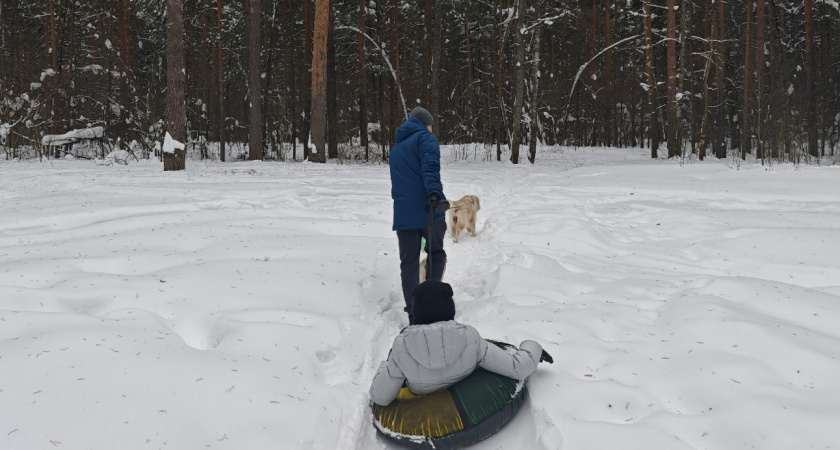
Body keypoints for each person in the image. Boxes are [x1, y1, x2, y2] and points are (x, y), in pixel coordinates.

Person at [370, 281, 553, 407]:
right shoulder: (469, 337)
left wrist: (387, 364)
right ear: (450, 308)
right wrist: (532, 347)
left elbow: (380, 397)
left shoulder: (402, 346)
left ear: (416, 312)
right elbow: (517, 368)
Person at [389, 106, 447, 324]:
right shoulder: (425, 138)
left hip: (404, 216)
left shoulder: (396, 148)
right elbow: (430, 168)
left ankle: (414, 312)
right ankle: (431, 306)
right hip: (428, 209)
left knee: (409, 263)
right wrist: (434, 193)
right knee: (436, 254)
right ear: (426, 124)